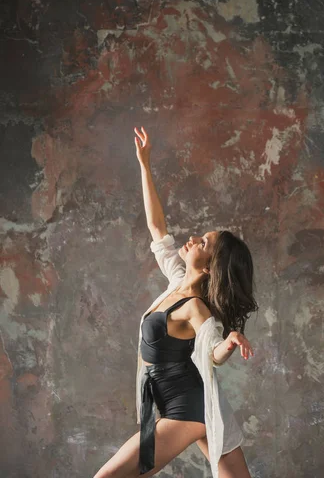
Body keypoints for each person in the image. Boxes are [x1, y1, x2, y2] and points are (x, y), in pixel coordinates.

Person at [93, 126, 258, 478]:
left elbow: (212, 351)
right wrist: (145, 164)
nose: (195, 238)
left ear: (212, 265)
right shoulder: (176, 279)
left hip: (186, 409)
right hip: (177, 403)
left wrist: (228, 344)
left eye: (204, 243)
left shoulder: (196, 308)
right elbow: (157, 228)